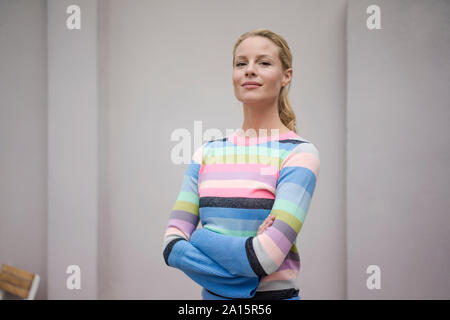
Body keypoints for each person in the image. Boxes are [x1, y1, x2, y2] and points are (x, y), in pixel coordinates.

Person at [162, 28, 320, 300]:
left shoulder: (300, 154)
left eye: (264, 62)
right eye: (241, 63)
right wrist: (246, 251)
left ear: (286, 76)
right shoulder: (206, 153)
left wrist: (199, 239)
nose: (249, 70)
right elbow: (171, 246)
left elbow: (265, 258)